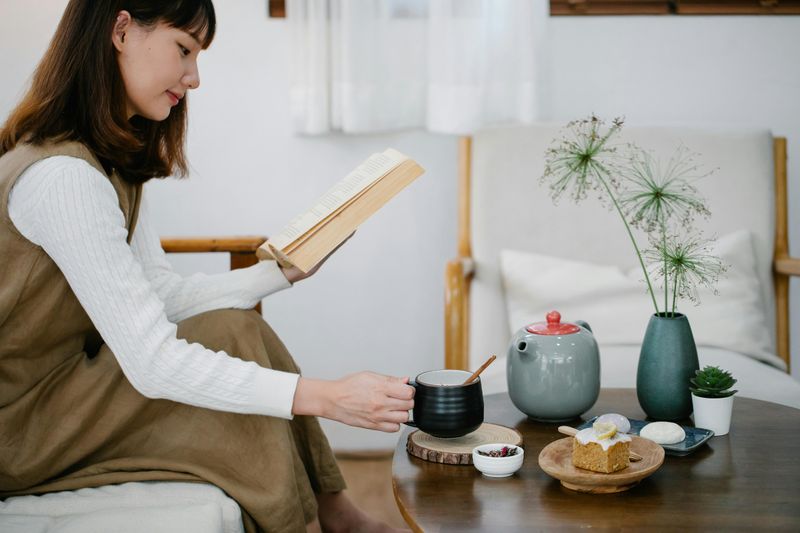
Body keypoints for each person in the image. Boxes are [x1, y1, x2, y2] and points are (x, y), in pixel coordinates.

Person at [0, 1, 414, 532]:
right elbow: (151, 360)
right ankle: (321, 521)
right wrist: (329, 397)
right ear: (121, 30)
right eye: (184, 50)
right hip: (24, 426)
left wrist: (279, 274)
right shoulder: (63, 177)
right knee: (232, 351)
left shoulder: (104, 162)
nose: (193, 78)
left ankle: (335, 514)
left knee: (235, 327)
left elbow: (157, 296)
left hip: (67, 392)